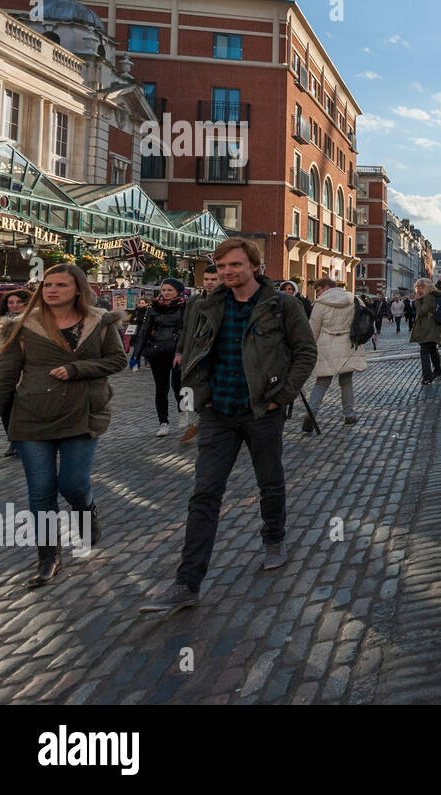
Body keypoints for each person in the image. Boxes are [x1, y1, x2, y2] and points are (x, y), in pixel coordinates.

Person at [140, 237, 318, 612]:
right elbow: (189, 352)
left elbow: (306, 352)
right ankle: (187, 582)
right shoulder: (202, 306)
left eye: (235, 265)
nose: (227, 273)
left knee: (269, 480)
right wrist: (196, 398)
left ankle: (273, 536)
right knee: (204, 493)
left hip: (261, 411)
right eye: (221, 267)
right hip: (217, 412)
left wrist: (280, 397)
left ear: (254, 266)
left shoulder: (282, 305)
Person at [0, 265, 126, 588]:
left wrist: (77, 369)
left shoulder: (100, 323)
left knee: (73, 484)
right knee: (41, 492)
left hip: (83, 414)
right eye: (47, 284)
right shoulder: (24, 326)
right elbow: (3, 377)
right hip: (32, 418)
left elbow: (117, 361)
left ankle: (86, 509)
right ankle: (48, 556)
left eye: (60, 285)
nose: (51, 290)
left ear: (77, 288)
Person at [303, 276, 368, 429]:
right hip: (348, 344)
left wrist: (308, 348)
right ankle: (349, 415)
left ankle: (311, 414)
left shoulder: (320, 304)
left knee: (322, 382)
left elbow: (313, 329)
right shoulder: (352, 299)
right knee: (346, 382)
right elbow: (364, 318)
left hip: (327, 345)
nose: (317, 294)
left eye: (318, 290)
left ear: (326, 287)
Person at [131, 278, 187, 437]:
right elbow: (144, 332)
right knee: (161, 388)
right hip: (158, 351)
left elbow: (186, 330)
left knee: (180, 385)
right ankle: (163, 422)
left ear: (178, 291)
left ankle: (184, 412)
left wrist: (182, 350)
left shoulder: (185, 307)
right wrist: (136, 355)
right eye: (163, 290)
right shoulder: (153, 308)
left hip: (178, 352)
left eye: (170, 290)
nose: (166, 293)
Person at [175, 266, 222, 444]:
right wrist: (179, 351)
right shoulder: (194, 301)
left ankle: (211, 426)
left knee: (208, 390)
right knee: (186, 388)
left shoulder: (224, 302)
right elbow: (185, 328)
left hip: (210, 354)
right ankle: (193, 423)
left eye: (214, 279)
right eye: (207, 279)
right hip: (190, 352)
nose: (209, 283)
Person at [0, 289, 29, 458]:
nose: (14, 305)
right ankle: (13, 441)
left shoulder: (33, 321)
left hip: (24, 371)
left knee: (22, 408)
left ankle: (25, 441)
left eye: (18, 302)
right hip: (1, 369)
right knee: (5, 408)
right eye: (11, 302)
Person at [411, 277, 441, 384]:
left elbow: (422, 312)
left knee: (424, 352)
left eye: (420, 287)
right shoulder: (430, 297)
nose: (418, 290)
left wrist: (417, 300)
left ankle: (427, 376)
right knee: (432, 350)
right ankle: (438, 371)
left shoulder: (429, 297)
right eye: (417, 287)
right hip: (430, 329)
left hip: (427, 329)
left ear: (426, 287)